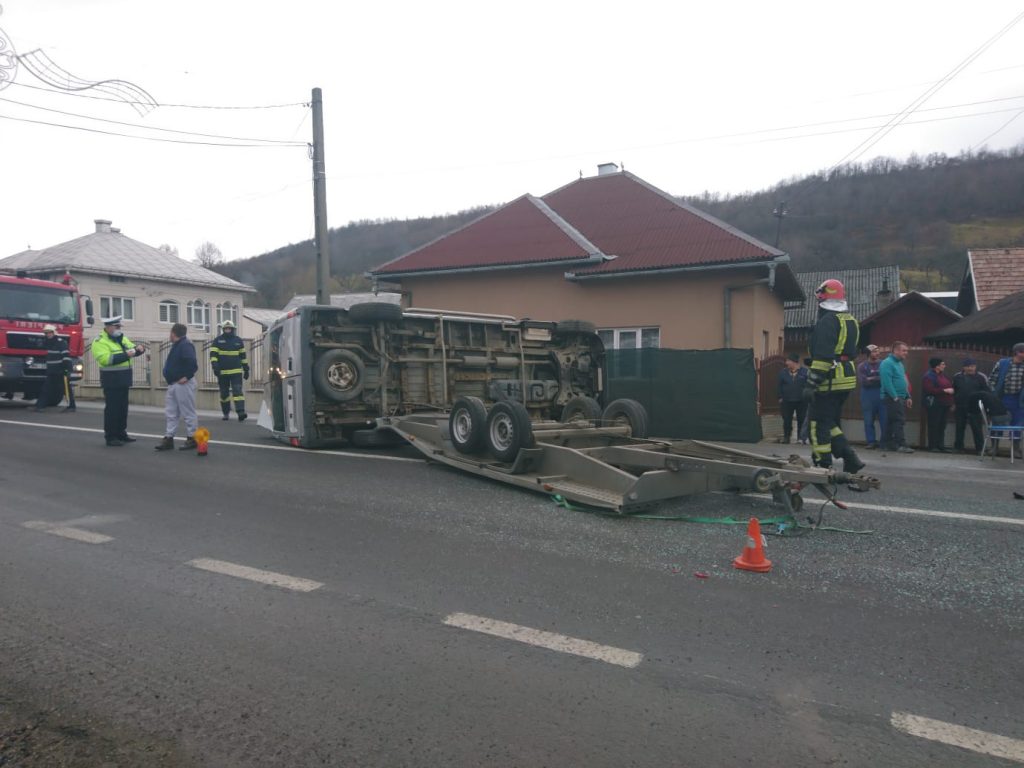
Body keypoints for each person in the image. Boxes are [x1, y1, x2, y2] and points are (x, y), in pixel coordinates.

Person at [803, 278, 865, 473]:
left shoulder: (827, 321)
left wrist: (811, 383)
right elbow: (846, 350)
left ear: (823, 297)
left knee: (817, 424)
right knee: (828, 421)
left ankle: (822, 464)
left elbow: (823, 357)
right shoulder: (851, 320)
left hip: (829, 380)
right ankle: (849, 457)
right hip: (846, 379)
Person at [90, 316, 146, 446]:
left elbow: (132, 349)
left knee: (122, 408)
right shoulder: (100, 341)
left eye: (119, 327)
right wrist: (128, 354)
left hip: (123, 379)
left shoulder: (121, 338)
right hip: (111, 380)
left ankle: (121, 433)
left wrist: (139, 349)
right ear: (108, 327)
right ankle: (111, 436)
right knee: (112, 409)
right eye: (117, 327)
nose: (119, 329)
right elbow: (106, 360)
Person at [155, 323, 199, 452]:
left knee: (188, 411)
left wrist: (187, 376)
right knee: (171, 412)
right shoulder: (178, 345)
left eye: (170, 332)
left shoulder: (185, 345)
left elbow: (192, 363)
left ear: (173, 333)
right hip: (174, 383)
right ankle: (169, 438)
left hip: (183, 383)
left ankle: (192, 438)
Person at [210, 319, 249, 422]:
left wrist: (246, 369)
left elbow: (243, 356)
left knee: (238, 392)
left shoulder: (238, 341)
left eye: (229, 328)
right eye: (226, 328)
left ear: (232, 329)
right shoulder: (217, 341)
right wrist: (215, 367)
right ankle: (226, 413)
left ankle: (241, 412)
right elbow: (213, 356)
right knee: (224, 394)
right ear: (223, 329)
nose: (227, 330)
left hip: (236, 372)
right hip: (222, 373)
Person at [880, 341, 914, 453]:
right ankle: (901, 444)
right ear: (896, 351)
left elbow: (904, 381)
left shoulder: (899, 364)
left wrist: (908, 396)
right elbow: (886, 382)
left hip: (900, 396)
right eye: (904, 350)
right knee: (898, 420)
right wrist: (894, 396)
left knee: (891, 421)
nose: (906, 353)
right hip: (892, 397)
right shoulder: (887, 363)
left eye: (906, 351)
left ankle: (887, 444)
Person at [33, 324, 75, 412]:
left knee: (66, 389)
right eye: (46, 333)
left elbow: (66, 356)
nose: (48, 334)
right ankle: (40, 406)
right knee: (46, 388)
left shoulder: (61, 342)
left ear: (54, 332)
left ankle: (71, 406)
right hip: (52, 371)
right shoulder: (48, 342)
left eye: (49, 332)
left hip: (61, 370)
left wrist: (66, 369)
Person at [952, 358, 988, 453]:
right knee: (959, 428)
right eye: (968, 366)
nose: (970, 368)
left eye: (972, 366)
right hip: (960, 406)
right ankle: (958, 448)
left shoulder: (981, 377)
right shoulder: (957, 377)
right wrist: (953, 403)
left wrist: (984, 405)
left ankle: (980, 449)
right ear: (963, 367)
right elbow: (954, 391)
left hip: (975, 407)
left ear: (975, 367)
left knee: (977, 428)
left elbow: (986, 392)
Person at [857, 344, 886, 449]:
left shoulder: (884, 364)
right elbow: (864, 382)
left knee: (885, 420)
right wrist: (877, 378)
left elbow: (885, 379)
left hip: (882, 394)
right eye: (874, 351)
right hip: (867, 396)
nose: (877, 353)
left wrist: (871, 378)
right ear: (868, 354)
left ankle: (884, 442)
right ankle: (871, 442)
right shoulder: (862, 366)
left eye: (878, 351)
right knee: (868, 420)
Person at [922, 357, 954, 452]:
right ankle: (933, 445)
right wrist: (944, 390)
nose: (944, 366)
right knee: (934, 425)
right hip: (935, 404)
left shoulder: (942, 375)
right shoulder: (929, 376)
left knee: (942, 425)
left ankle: (940, 445)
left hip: (945, 404)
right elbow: (929, 390)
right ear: (937, 366)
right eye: (942, 364)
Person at [777, 353, 808, 444]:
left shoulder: (805, 372)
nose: (786, 363)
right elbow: (779, 386)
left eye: (788, 361)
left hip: (801, 400)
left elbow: (808, 385)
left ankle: (800, 438)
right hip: (787, 400)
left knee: (801, 419)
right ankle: (786, 437)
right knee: (787, 420)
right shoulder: (783, 372)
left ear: (794, 362)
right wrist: (780, 397)